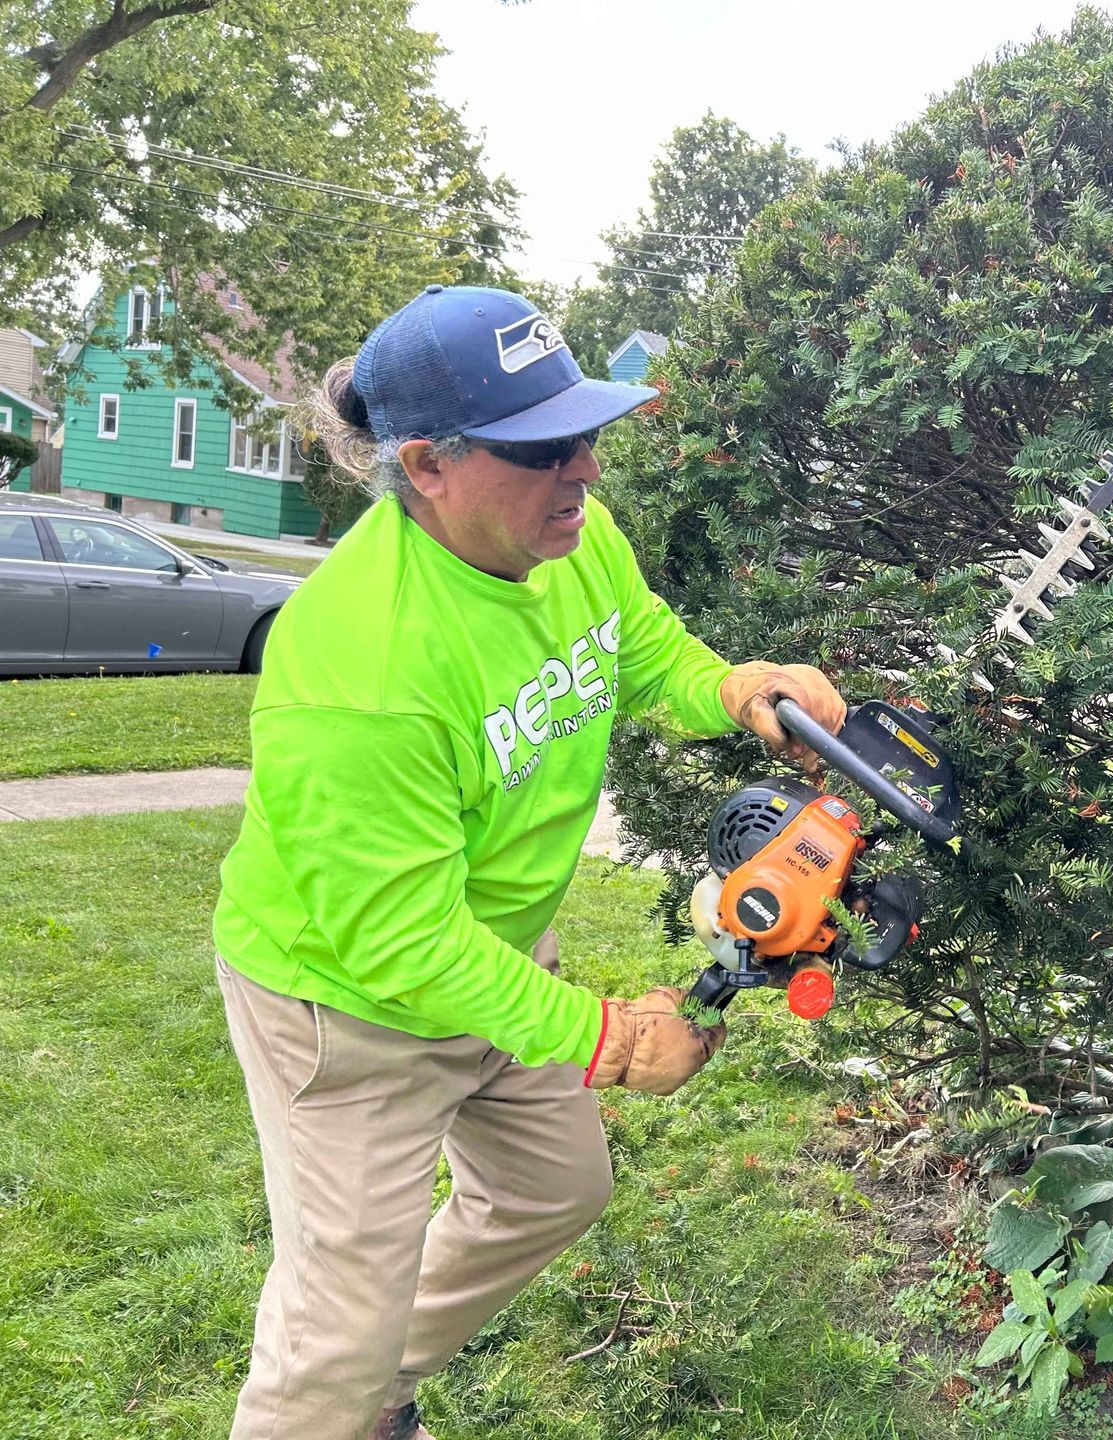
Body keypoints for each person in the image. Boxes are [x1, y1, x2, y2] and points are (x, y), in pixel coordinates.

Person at [210, 284, 846, 1440]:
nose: (586, 472)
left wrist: (736, 687)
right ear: (428, 464)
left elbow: (638, 642)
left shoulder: (567, 535)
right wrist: (603, 1035)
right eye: (544, 449)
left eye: (587, 434)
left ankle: (372, 1384)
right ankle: (341, 1395)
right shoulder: (361, 666)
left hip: (495, 950)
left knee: (557, 1190)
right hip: (344, 1007)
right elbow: (396, 938)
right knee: (326, 1346)